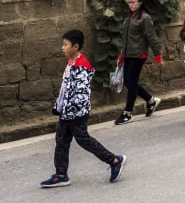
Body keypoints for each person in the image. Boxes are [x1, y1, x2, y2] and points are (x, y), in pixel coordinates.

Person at [41, 29, 126, 188]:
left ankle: (115, 161)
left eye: (65, 45)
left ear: (76, 46)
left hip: (76, 113)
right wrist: (58, 106)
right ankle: (61, 175)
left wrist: (71, 111)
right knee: (61, 141)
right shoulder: (71, 62)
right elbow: (66, 88)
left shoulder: (81, 65)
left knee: (84, 140)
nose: (62, 47)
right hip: (67, 112)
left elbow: (81, 94)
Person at [115, 0, 164, 125]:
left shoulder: (145, 18)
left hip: (139, 55)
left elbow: (152, 37)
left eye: (134, 2)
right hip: (128, 55)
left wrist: (158, 56)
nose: (131, 4)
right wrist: (121, 56)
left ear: (140, 3)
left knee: (131, 83)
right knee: (128, 82)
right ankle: (151, 101)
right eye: (129, 2)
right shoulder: (129, 18)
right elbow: (125, 39)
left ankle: (128, 113)